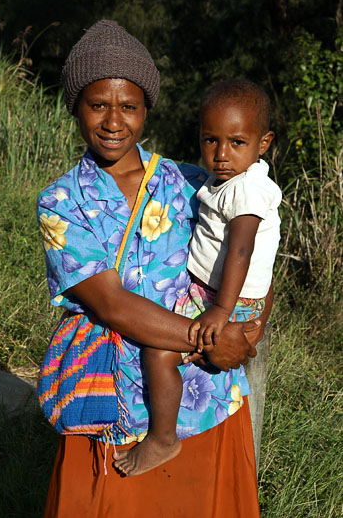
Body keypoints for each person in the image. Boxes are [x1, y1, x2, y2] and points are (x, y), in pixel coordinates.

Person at [37, 19, 271, 518]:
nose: (113, 121)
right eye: (97, 104)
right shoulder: (61, 203)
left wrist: (250, 328)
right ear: (76, 106)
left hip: (203, 394)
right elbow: (111, 304)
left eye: (129, 106)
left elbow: (255, 245)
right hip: (113, 399)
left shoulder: (191, 183)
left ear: (147, 111)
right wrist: (212, 337)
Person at [114, 79, 281, 477]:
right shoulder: (226, 181)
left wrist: (221, 311)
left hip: (225, 299)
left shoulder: (248, 190)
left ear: (264, 143)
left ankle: (163, 439)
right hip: (217, 294)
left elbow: (243, 250)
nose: (221, 154)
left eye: (237, 142)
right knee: (181, 348)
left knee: (159, 352)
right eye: (211, 140)